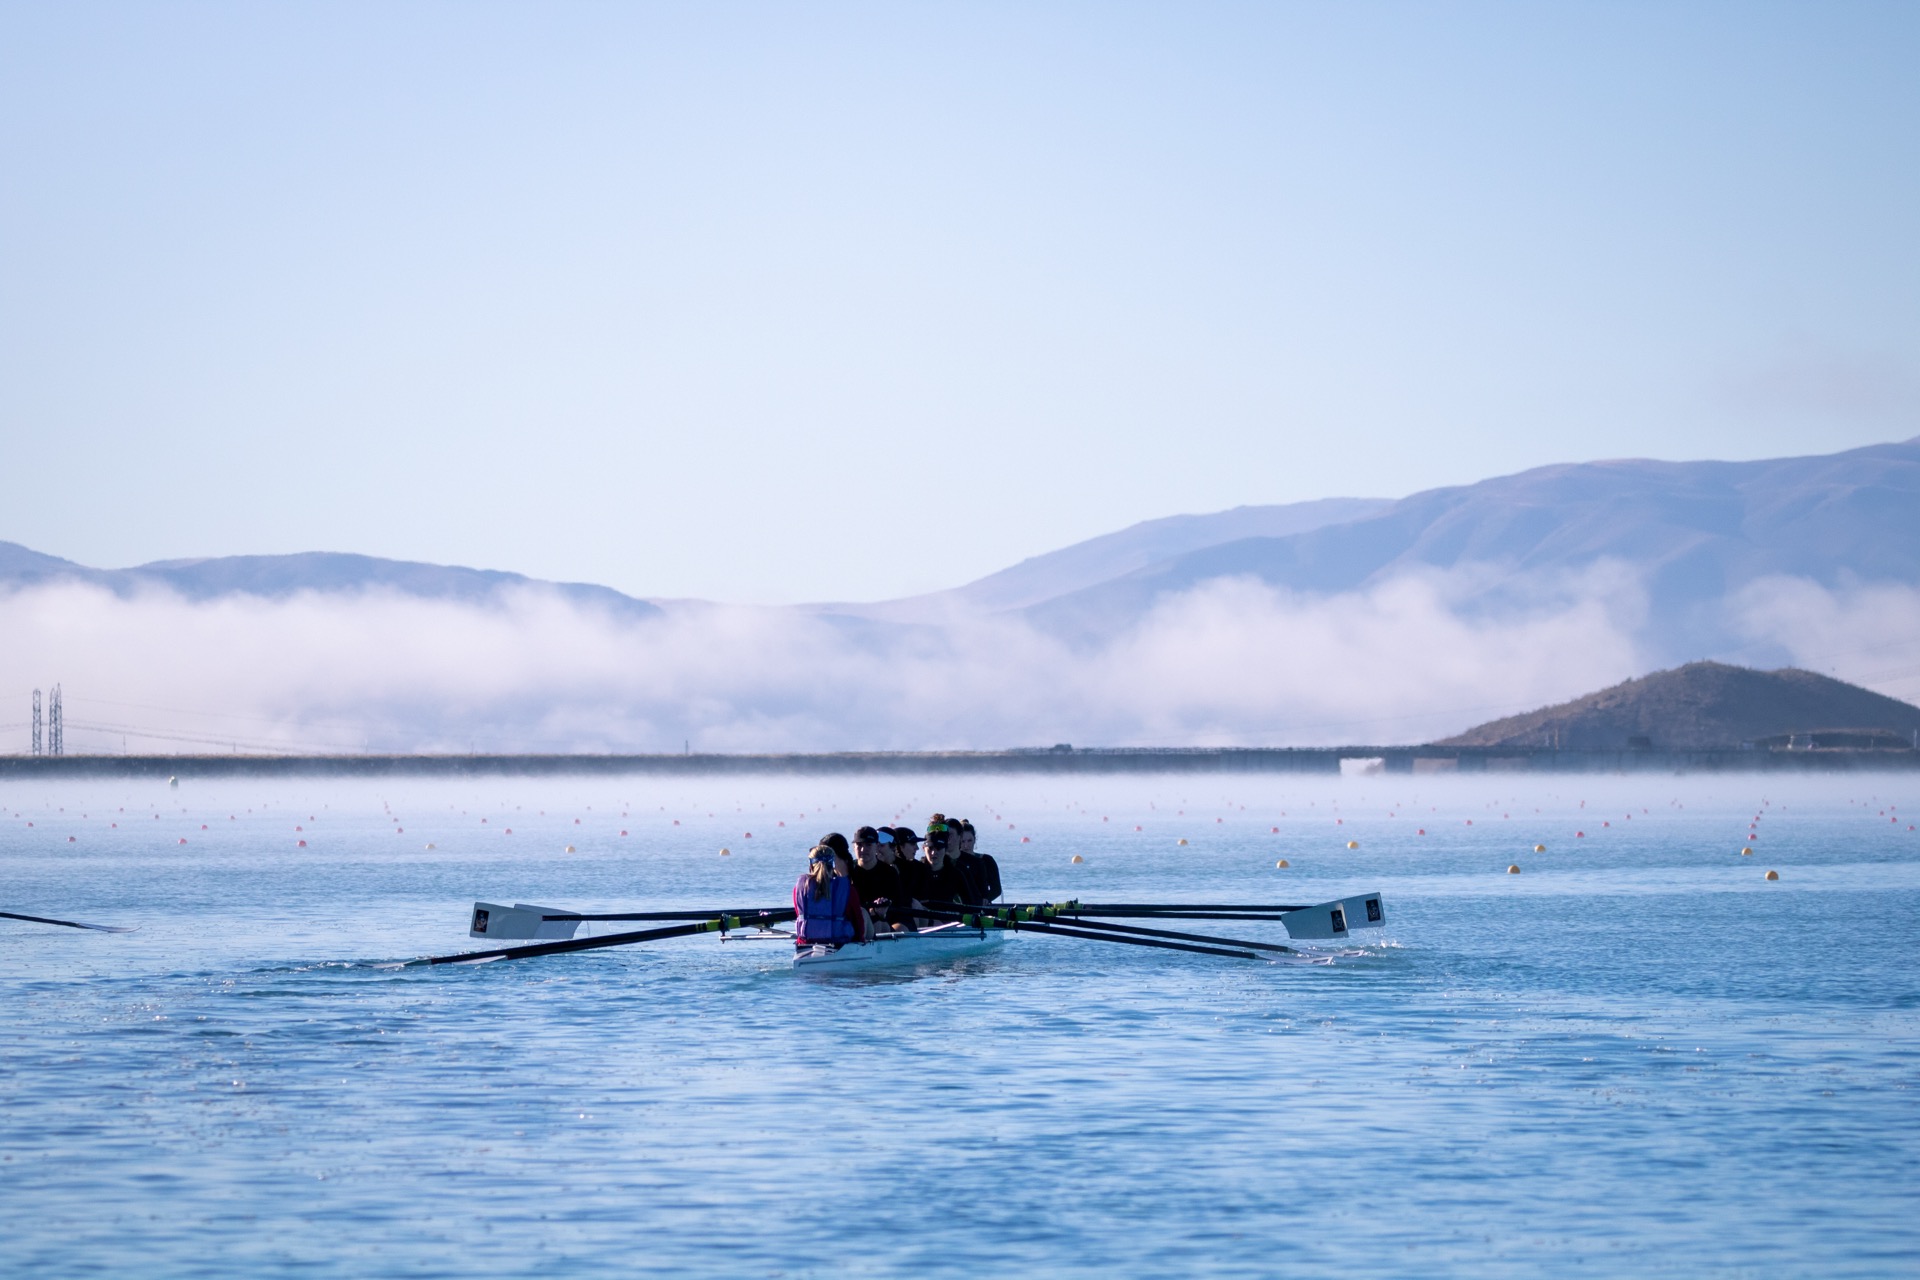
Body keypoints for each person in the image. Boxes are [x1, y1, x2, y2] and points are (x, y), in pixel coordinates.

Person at [792, 844, 866, 948]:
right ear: (833, 865)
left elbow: (798, 913)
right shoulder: (848, 890)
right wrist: (861, 941)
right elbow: (859, 924)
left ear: (810, 866)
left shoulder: (798, 889)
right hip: (840, 946)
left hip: (805, 946)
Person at [850, 826, 905, 931]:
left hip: (884, 921)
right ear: (854, 847)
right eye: (859, 845)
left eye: (868, 845)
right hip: (856, 921)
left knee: (880, 924)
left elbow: (898, 904)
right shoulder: (848, 871)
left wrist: (881, 911)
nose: (863, 849)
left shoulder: (889, 873)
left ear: (876, 847)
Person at [953, 819, 1002, 903]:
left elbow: (996, 890)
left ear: (974, 840)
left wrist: (984, 900)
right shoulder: (952, 861)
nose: (966, 845)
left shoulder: (986, 860)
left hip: (981, 907)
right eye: (962, 841)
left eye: (969, 841)